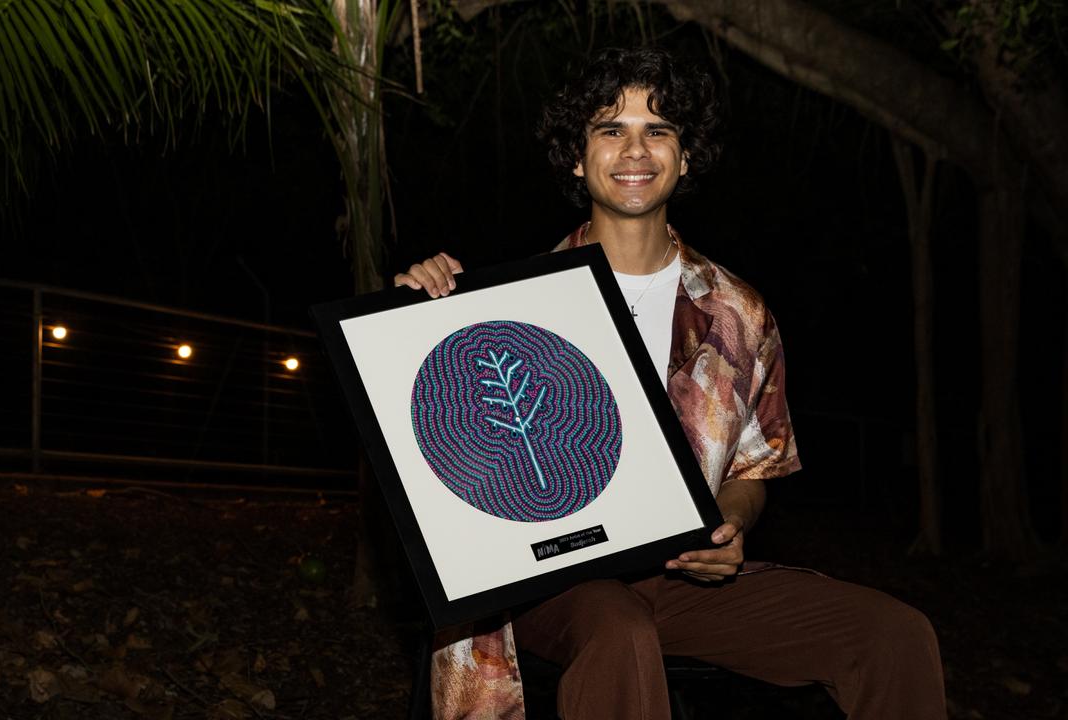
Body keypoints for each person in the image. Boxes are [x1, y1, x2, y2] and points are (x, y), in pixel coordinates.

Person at [394, 47, 946, 720]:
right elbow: (442, 443)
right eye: (610, 129)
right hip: (548, 586)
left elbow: (753, 470)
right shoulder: (505, 307)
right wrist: (414, 311)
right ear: (577, 156)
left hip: (680, 577)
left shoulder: (739, 312)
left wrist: (728, 526)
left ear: (686, 158)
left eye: (658, 130)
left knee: (893, 636)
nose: (636, 149)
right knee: (619, 631)